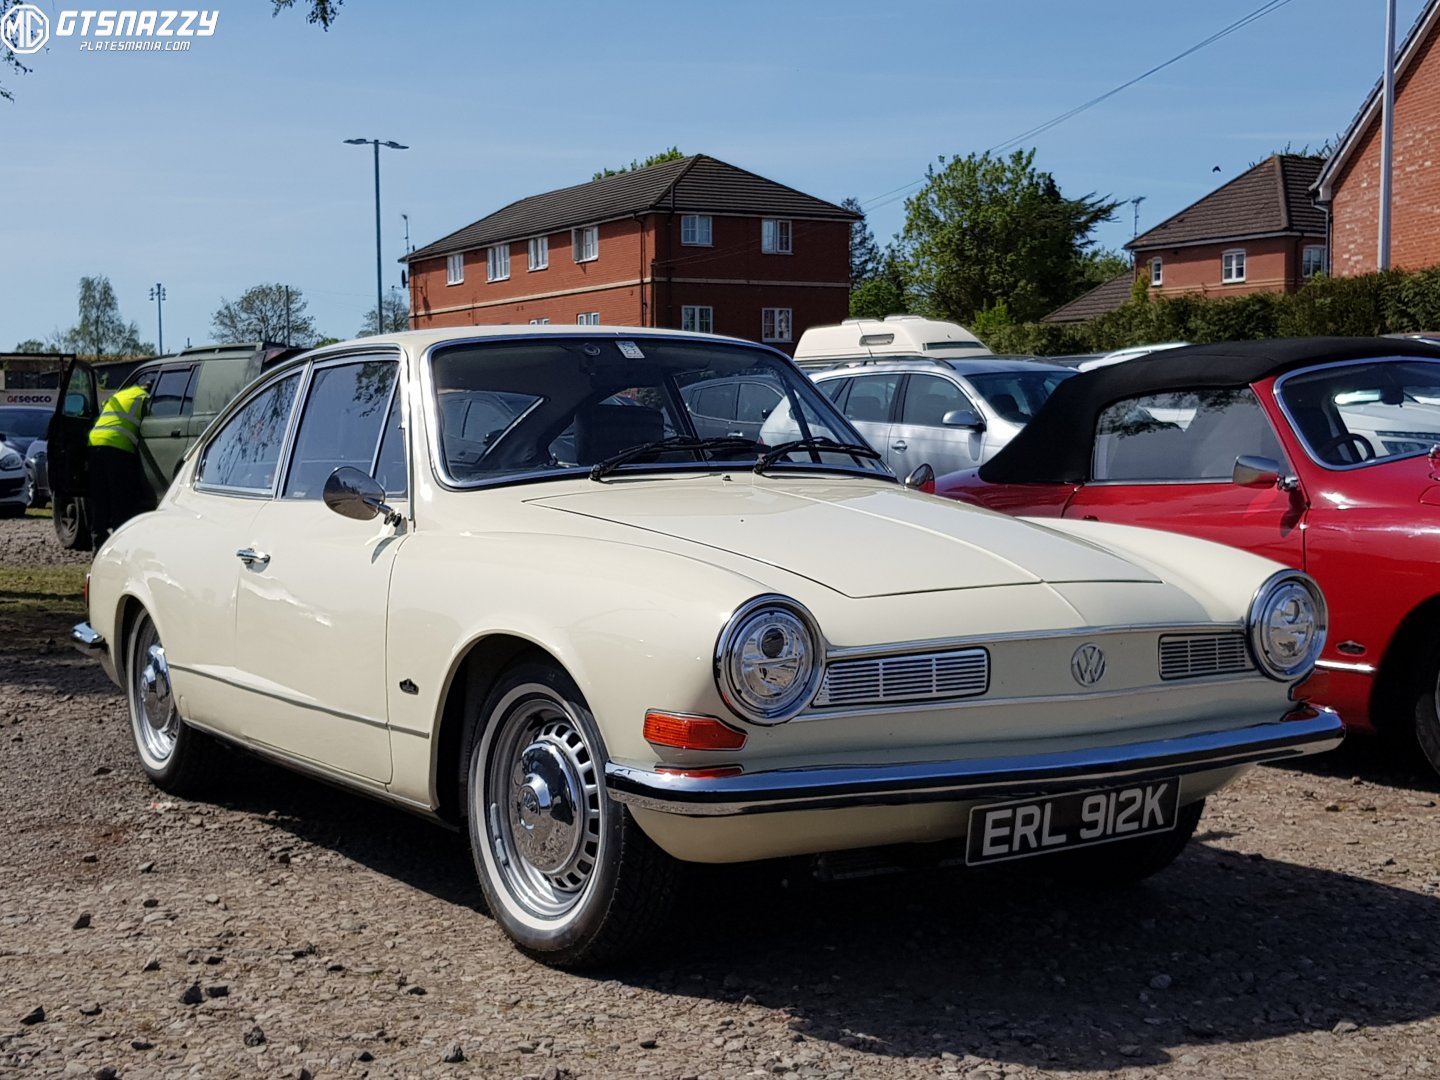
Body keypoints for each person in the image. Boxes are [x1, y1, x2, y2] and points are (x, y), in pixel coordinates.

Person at [87, 383, 150, 542]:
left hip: (94, 442)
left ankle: (97, 542)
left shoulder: (119, 395)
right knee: (119, 497)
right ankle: (118, 539)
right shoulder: (144, 398)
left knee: (100, 497)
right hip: (118, 446)